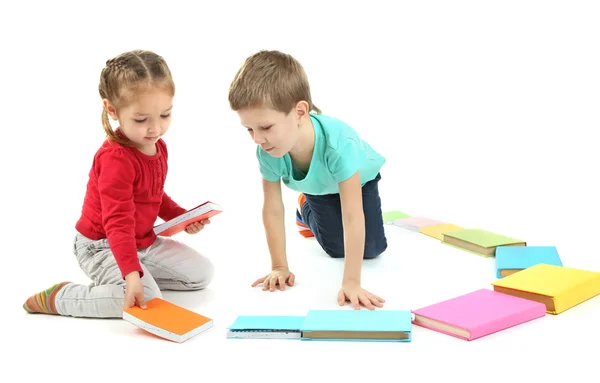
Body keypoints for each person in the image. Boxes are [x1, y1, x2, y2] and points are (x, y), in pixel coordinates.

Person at [22, 50, 214, 318]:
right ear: (112, 110)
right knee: (143, 299)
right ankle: (61, 297)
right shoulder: (115, 159)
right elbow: (117, 221)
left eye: (164, 115)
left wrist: (182, 217)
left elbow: (154, 194)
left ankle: (131, 279)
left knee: (201, 275)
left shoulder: (157, 146)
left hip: (141, 242)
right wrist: (131, 273)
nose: (155, 128)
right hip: (102, 244)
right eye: (141, 119)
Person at [228, 50, 387, 310]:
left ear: (300, 112)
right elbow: (273, 208)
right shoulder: (267, 151)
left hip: (358, 182)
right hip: (318, 188)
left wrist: (351, 282)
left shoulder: (338, 144)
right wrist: (279, 266)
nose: (257, 139)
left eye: (265, 127)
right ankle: (306, 207)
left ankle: (307, 205)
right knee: (336, 249)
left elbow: (352, 214)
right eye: (249, 129)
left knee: (373, 248)